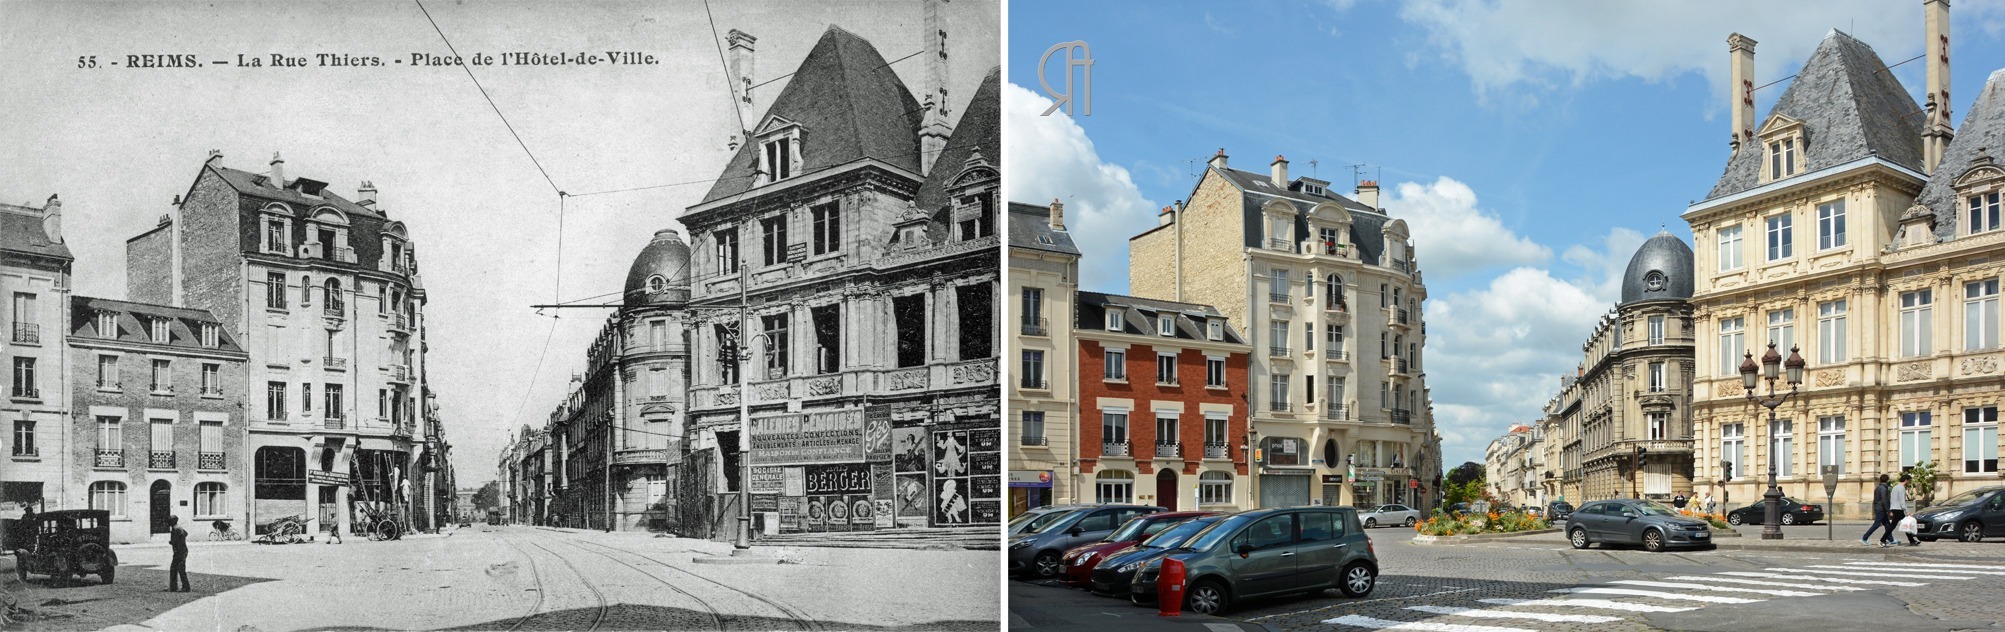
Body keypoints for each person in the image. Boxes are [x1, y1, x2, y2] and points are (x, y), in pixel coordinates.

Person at [1863, 474, 1892, 546]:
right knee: (1876, 524)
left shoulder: (1878, 487)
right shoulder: (1883, 489)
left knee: (1887, 524)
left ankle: (1891, 539)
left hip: (1879, 508)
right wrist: (1889, 510)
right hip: (1881, 509)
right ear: (1887, 480)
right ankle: (1864, 538)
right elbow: (1884, 501)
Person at [1885, 474, 1911, 548]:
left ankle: (1912, 540)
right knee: (1893, 526)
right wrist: (1906, 511)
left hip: (1894, 508)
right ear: (1906, 480)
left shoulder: (1895, 487)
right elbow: (1902, 502)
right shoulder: (1902, 488)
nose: (1909, 482)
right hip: (1899, 509)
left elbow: (1891, 499)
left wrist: (1891, 509)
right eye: (1909, 481)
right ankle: (1883, 539)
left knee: (1903, 525)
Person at [167, 515, 190, 592]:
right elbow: (186, 533)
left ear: (173, 521)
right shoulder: (178, 527)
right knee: (176, 569)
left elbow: (175, 541)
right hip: (182, 551)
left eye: (169, 520)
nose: (168, 522)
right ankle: (174, 587)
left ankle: (185, 587)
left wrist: (172, 542)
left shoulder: (175, 529)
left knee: (178, 569)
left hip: (179, 552)